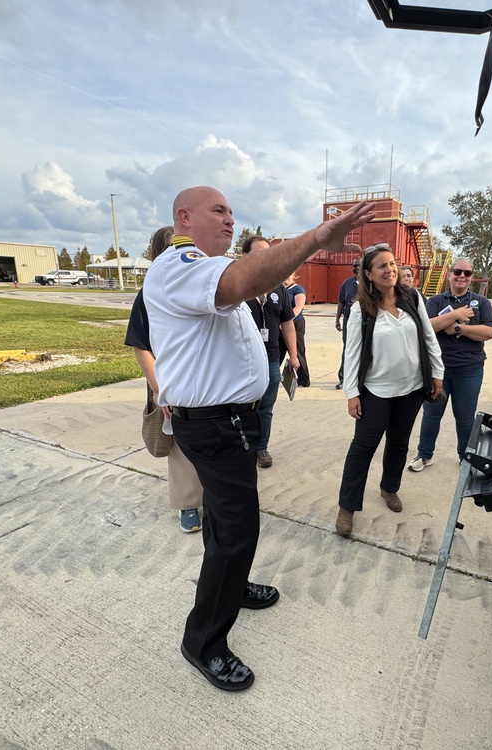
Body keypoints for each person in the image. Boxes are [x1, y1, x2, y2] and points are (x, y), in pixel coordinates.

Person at [143, 186, 373, 691]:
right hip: (214, 422)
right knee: (237, 529)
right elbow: (244, 280)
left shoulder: (206, 265)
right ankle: (202, 641)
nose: (229, 220)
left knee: (227, 524)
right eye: (217, 211)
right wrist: (316, 238)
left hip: (232, 420)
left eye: (231, 211)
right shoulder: (181, 263)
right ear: (184, 216)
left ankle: (234, 584)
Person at [335, 244, 443, 537]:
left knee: (399, 443)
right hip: (376, 390)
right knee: (362, 449)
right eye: (381, 266)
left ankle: (389, 488)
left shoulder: (413, 297)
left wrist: (437, 372)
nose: (390, 269)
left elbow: (428, 337)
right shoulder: (360, 309)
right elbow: (352, 353)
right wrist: (352, 393)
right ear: (368, 274)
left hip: (411, 388)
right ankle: (347, 507)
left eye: (393, 263)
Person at [124, 225, 202, 533]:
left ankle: (211, 497)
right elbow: (141, 347)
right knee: (180, 447)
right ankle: (188, 504)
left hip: (201, 378)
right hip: (170, 382)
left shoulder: (198, 287)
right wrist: (162, 392)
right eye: (172, 248)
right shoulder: (149, 294)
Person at [409, 258, 492, 472]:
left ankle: (465, 456)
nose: (462, 276)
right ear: (449, 274)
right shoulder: (435, 302)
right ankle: (424, 455)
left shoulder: (481, 303)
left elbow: (489, 332)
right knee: (431, 415)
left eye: (467, 273)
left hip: (470, 369)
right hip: (438, 370)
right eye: (457, 271)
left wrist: (458, 329)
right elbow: (426, 326)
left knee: (465, 418)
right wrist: (455, 315)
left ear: (471, 277)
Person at [241, 235, 299, 469]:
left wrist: (293, 355)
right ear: (246, 257)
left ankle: (261, 449)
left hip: (272, 362)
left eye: (268, 253)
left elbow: (287, 323)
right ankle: (243, 448)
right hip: (243, 363)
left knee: (266, 409)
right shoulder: (237, 286)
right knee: (243, 409)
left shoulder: (278, 288)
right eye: (258, 253)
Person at [334, 254, 362, 389]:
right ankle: (343, 378)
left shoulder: (371, 283)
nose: (356, 267)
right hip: (349, 321)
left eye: (359, 265)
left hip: (366, 321)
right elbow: (341, 302)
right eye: (354, 265)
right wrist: (337, 319)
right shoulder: (346, 283)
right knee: (348, 349)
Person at [283, 272, 310, 387]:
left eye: (288, 275)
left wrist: (286, 319)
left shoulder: (297, 289)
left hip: (295, 324)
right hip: (280, 325)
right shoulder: (278, 289)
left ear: (293, 275)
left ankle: (303, 380)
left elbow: (298, 307)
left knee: (297, 352)